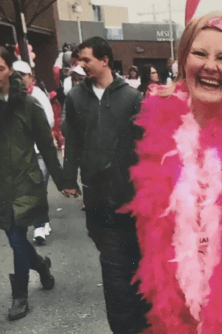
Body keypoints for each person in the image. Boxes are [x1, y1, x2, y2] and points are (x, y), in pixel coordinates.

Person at [122, 13, 222, 333]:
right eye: (200, 53)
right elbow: (120, 236)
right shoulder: (141, 129)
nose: (210, 66)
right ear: (184, 59)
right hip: (162, 311)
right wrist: (129, 320)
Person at [61, 36, 150, 334]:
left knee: (130, 258)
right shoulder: (75, 98)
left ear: (104, 60)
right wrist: (67, 177)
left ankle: (138, 317)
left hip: (128, 192)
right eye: (79, 60)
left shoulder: (132, 97)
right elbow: (71, 139)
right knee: (107, 254)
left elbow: (145, 142)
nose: (81, 65)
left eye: (86, 60)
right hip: (94, 191)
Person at [0, 46, 63, 320]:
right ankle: (40, 265)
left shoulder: (27, 104)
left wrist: (62, 181)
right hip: (1, 185)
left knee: (16, 239)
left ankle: (20, 297)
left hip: (26, 182)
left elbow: (47, 147)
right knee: (14, 237)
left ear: (9, 70)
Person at [12, 60, 55, 244]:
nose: (20, 79)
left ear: (31, 77)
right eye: (16, 75)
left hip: (38, 151)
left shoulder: (38, 96)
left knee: (39, 188)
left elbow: (50, 121)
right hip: (20, 153)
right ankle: (35, 221)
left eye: (23, 75)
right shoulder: (8, 97)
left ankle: (40, 226)